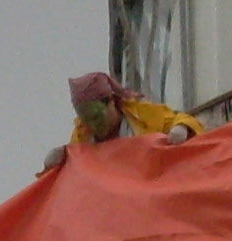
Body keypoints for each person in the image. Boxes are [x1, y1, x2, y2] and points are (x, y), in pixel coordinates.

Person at [43, 71, 200, 170]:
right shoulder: (82, 136)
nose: (92, 125)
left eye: (97, 117)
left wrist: (183, 127)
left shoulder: (140, 115)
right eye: (86, 120)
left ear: (111, 101)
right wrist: (56, 164)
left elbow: (181, 120)